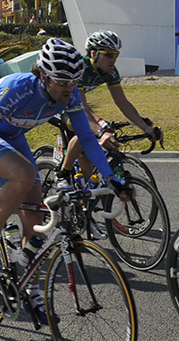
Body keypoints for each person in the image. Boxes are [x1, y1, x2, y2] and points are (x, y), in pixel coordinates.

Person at [0, 39, 133, 325]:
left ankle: (31, 290)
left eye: (74, 81)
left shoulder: (70, 94)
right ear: (43, 75)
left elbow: (88, 139)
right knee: (25, 174)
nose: (69, 88)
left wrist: (112, 179)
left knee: (37, 227)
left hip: (14, 138)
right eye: (62, 81)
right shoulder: (15, 90)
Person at [56, 30, 163, 235]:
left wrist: (146, 128)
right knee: (84, 132)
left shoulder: (111, 72)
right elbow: (80, 109)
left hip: (79, 107)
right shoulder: (80, 68)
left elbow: (122, 102)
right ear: (94, 53)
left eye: (116, 54)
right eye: (109, 54)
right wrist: (101, 128)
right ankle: (63, 174)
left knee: (88, 166)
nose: (114, 59)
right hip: (61, 104)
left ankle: (83, 212)